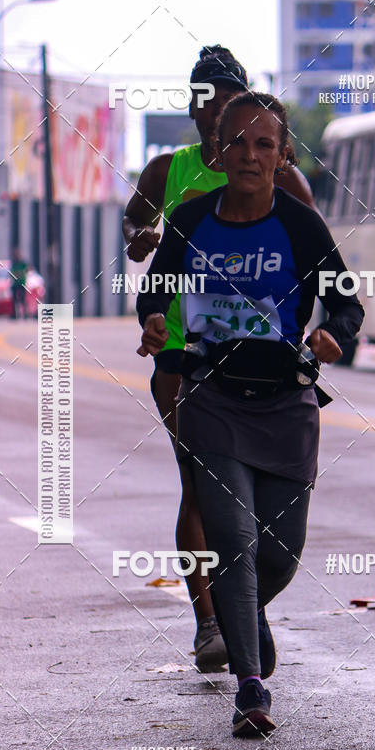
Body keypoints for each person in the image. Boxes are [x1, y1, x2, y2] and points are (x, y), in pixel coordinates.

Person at [136, 92, 364, 736]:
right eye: (237, 141)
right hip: (211, 399)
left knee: (280, 555)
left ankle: (246, 615)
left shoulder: (300, 226)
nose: (249, 155)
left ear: (283, 155)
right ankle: (250, 688)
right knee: (233, 541)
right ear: (219, 149)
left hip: (287, 405)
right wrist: (153, 320)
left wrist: (332, 335)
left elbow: (347, 304)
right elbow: (157, 285)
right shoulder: (191, 219)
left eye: (265, 144)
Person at [123, 46, 316, 672]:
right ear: (192, 108)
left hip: (267, 363)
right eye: (205, 100)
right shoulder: (168, 172)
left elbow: (315, 255)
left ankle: (245, 607)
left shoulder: (283, 178)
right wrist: (143, 239)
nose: (215, 112)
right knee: (201, 485)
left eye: (228, 101)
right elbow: (135, 227)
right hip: (186, 353)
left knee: (259, 501)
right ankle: (210, 623)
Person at [10, 247, 28, 319]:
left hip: (22, 283)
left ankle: (25, 314)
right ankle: (15, 314)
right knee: (15, 300)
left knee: (23, 299)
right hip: (15, 284)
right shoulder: (14, 264)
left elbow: (27, 270)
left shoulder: (23, 263)